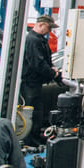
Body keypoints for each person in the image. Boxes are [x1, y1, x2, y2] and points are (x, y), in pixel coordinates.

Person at [21, 15, 60, 144]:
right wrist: (53, 74)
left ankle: (35, 136)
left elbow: (43, 60)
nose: (50, 31)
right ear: (41, 24)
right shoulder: (33, 40)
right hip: (31, 83)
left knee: (36, 111)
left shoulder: (39, 39)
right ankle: (31, 140)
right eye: (49, 27)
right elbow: (37, 63)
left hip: (35, 82)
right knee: (32, 112)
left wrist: (51, 68)